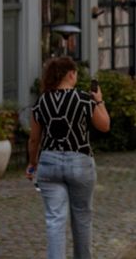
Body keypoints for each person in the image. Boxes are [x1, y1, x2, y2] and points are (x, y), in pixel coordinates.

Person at [28, 58, 110, 259]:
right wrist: (99, 100)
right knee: (82, 217)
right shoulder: (83, 98)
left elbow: (34, 139)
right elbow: (105, 125)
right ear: (71, 74)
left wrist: (32, 164)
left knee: (55, 220)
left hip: (49, 164)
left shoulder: (41, 102)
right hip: (80, 162)